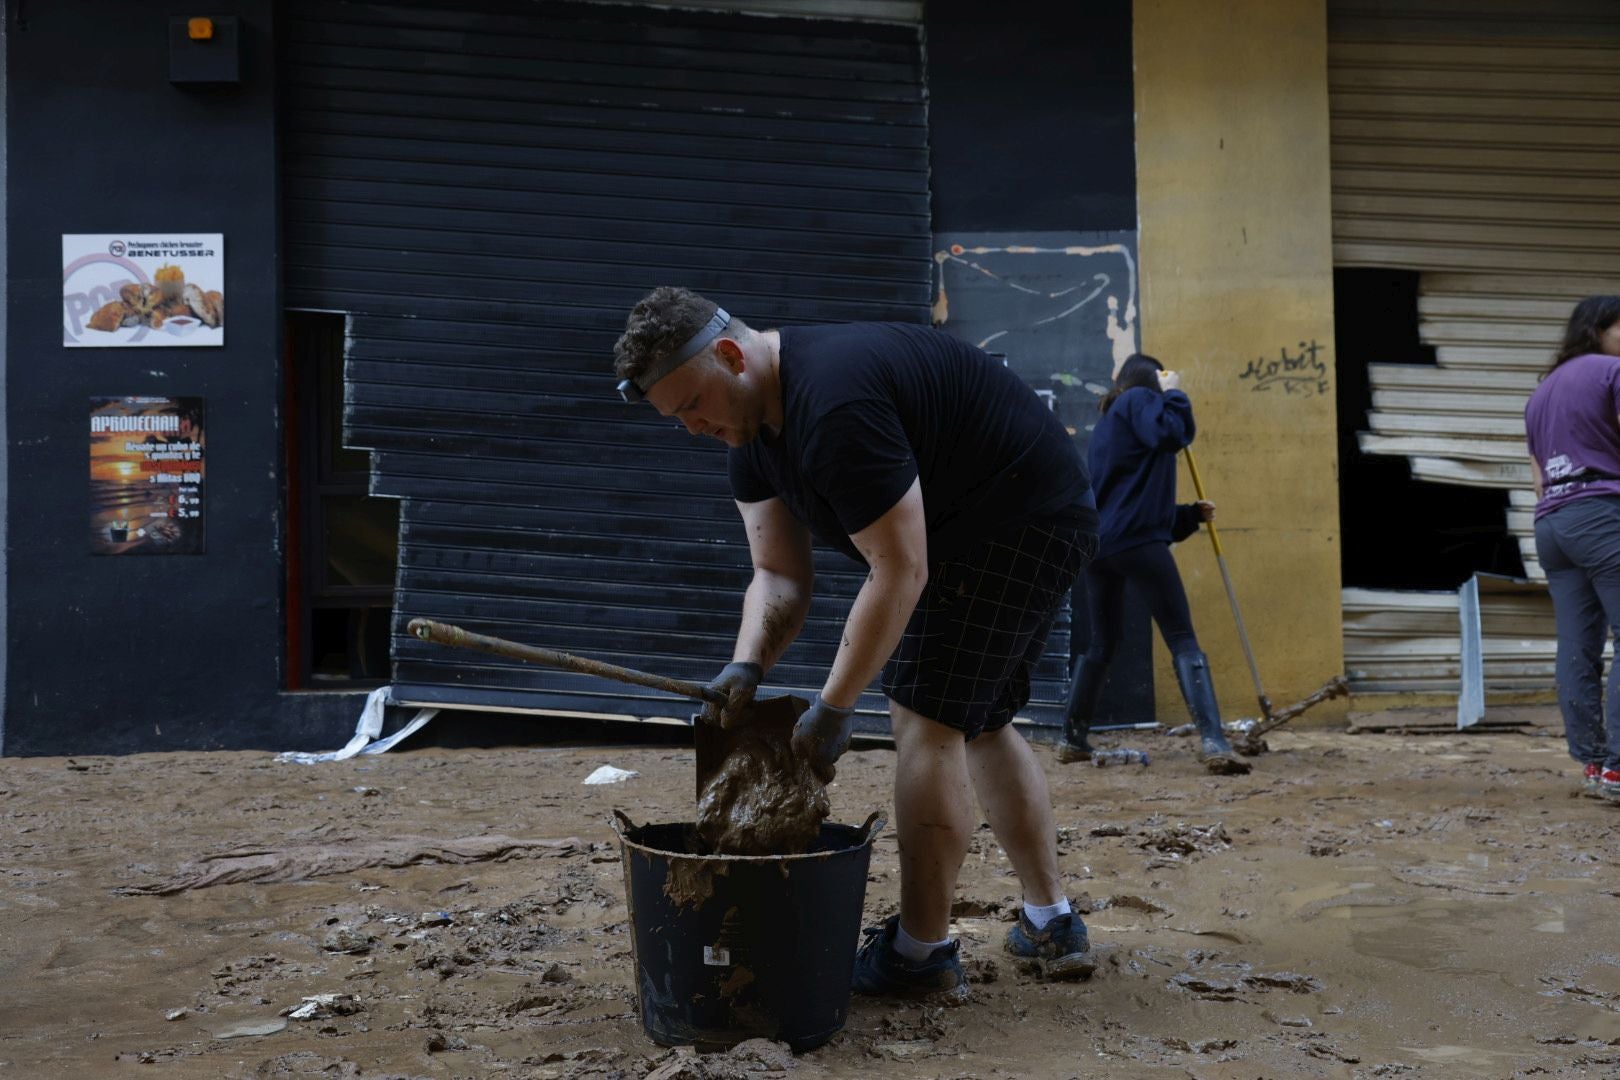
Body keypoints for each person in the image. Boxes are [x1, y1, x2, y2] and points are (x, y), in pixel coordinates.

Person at [613, 287, 1100, 1003]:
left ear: (728, 355)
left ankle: (920, 954)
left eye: (692, 406)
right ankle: (1050, 920)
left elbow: (900, 567)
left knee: (922, 720)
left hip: (1017, 517)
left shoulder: (833, 404)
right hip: (988, 524)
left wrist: (835, 707)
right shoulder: (749, 436)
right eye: (676, 417)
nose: (691, 427)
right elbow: (778, 576)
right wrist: (746, 665)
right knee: (981, 721)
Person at [1060, 353, 1250, 775]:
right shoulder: (1138, 401)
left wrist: (1187, 516)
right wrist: (1175, 392)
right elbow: (1171, 434)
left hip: (1103, 548)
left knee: (1103, 642)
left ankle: (1072, 738)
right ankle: (1214, 740)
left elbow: (1129, 496)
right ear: (1149, 380)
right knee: (1182, 637)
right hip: (1136, 544)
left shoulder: (1112, 421)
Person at [1524, 294, 1620, 801]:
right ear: (1600, 329)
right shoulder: (1612, 371)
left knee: (1578, 646)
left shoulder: (1540, 394)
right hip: (1604, 513)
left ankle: (1595, 764)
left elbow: (1538, 477)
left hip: (1554, 523)